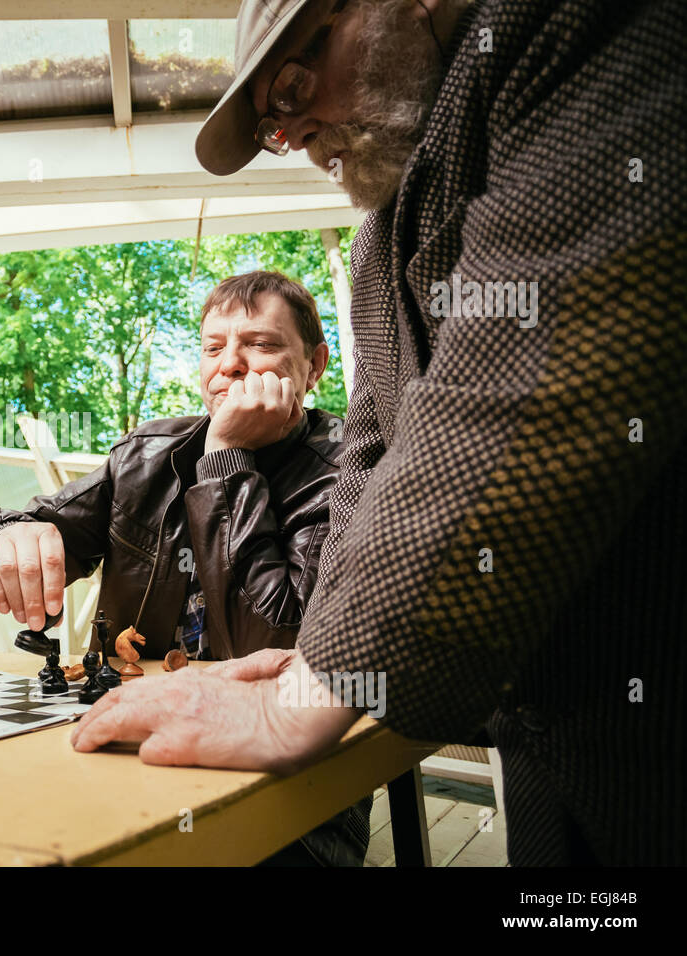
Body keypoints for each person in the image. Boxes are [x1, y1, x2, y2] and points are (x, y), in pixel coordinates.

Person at [72, 0, 687, 866]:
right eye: (272, 127)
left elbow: (512, 389)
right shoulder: (375, 244)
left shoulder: (567, 25)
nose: (292, 127)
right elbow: (373, 450)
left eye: (292, 81)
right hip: (550, 723)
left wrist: (312, 683)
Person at [0, 270, 365, 864]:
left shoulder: (352, 473)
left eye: (259, 344)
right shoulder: (145, 455)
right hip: (130, 733)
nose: (228, 365)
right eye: (213, 348)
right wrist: (5, 537)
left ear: (314, 366)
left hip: (287, 778)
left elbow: (274, 642)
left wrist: (228, 459)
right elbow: (41, 524)